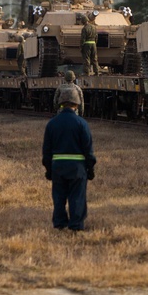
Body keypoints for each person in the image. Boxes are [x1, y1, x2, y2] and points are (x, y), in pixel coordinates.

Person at [42, 87, 96, 231]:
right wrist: (90, 168)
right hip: (78, 167)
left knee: (59, 197)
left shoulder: (52, 124)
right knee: (77, 197)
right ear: (76, 104)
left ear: (60, 104)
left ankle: (59, 224)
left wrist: (48, 169)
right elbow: (88, 149)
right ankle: (76, 225)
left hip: (58, 167)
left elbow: (46, 151)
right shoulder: (81, 124)